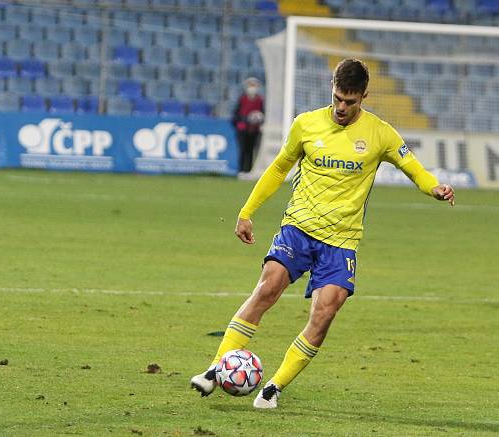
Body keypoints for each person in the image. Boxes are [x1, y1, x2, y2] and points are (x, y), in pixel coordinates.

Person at [190, 58, 455, 409]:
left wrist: (434, 187)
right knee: (268, 287)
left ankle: (274, 388)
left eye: (350, 102)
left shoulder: (380, 133)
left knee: (324, 313)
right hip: (298, 227)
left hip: (341, 241)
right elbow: (278, 168)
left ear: (364, 96)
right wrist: (247, 211)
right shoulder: (306, 125)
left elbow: (413, 168)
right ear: (331, 90)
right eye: (337, 99)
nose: (342, 108)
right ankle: (214, 369)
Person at [233, 77, 265, 174]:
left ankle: (249, 170)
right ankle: (241, 170)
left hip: (254, 130)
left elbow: (263, 113)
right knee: (243, 149)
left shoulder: (260, 100)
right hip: (243, 129)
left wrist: (260, 121)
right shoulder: (242, 99)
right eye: (250, 85)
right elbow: (236, 115)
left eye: (254, 85)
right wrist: (242, 122)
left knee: (251, 151)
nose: (252, 88)